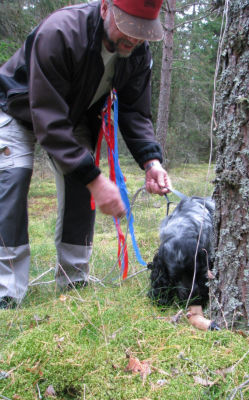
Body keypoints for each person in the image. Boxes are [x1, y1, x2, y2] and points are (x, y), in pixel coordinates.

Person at [0, 0, 171, 309]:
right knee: (13, 180)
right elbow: (49, 121)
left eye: (143, 30)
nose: (133, 38)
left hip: (74, 115)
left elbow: (134, 112)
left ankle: (74, 282)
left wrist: (151, 161)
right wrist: (96, 180)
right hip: (17, 107)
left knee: (81, 185)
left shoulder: (138, 53)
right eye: (128, 26)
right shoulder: (61, 33)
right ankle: (6, 292)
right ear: (106, 7)